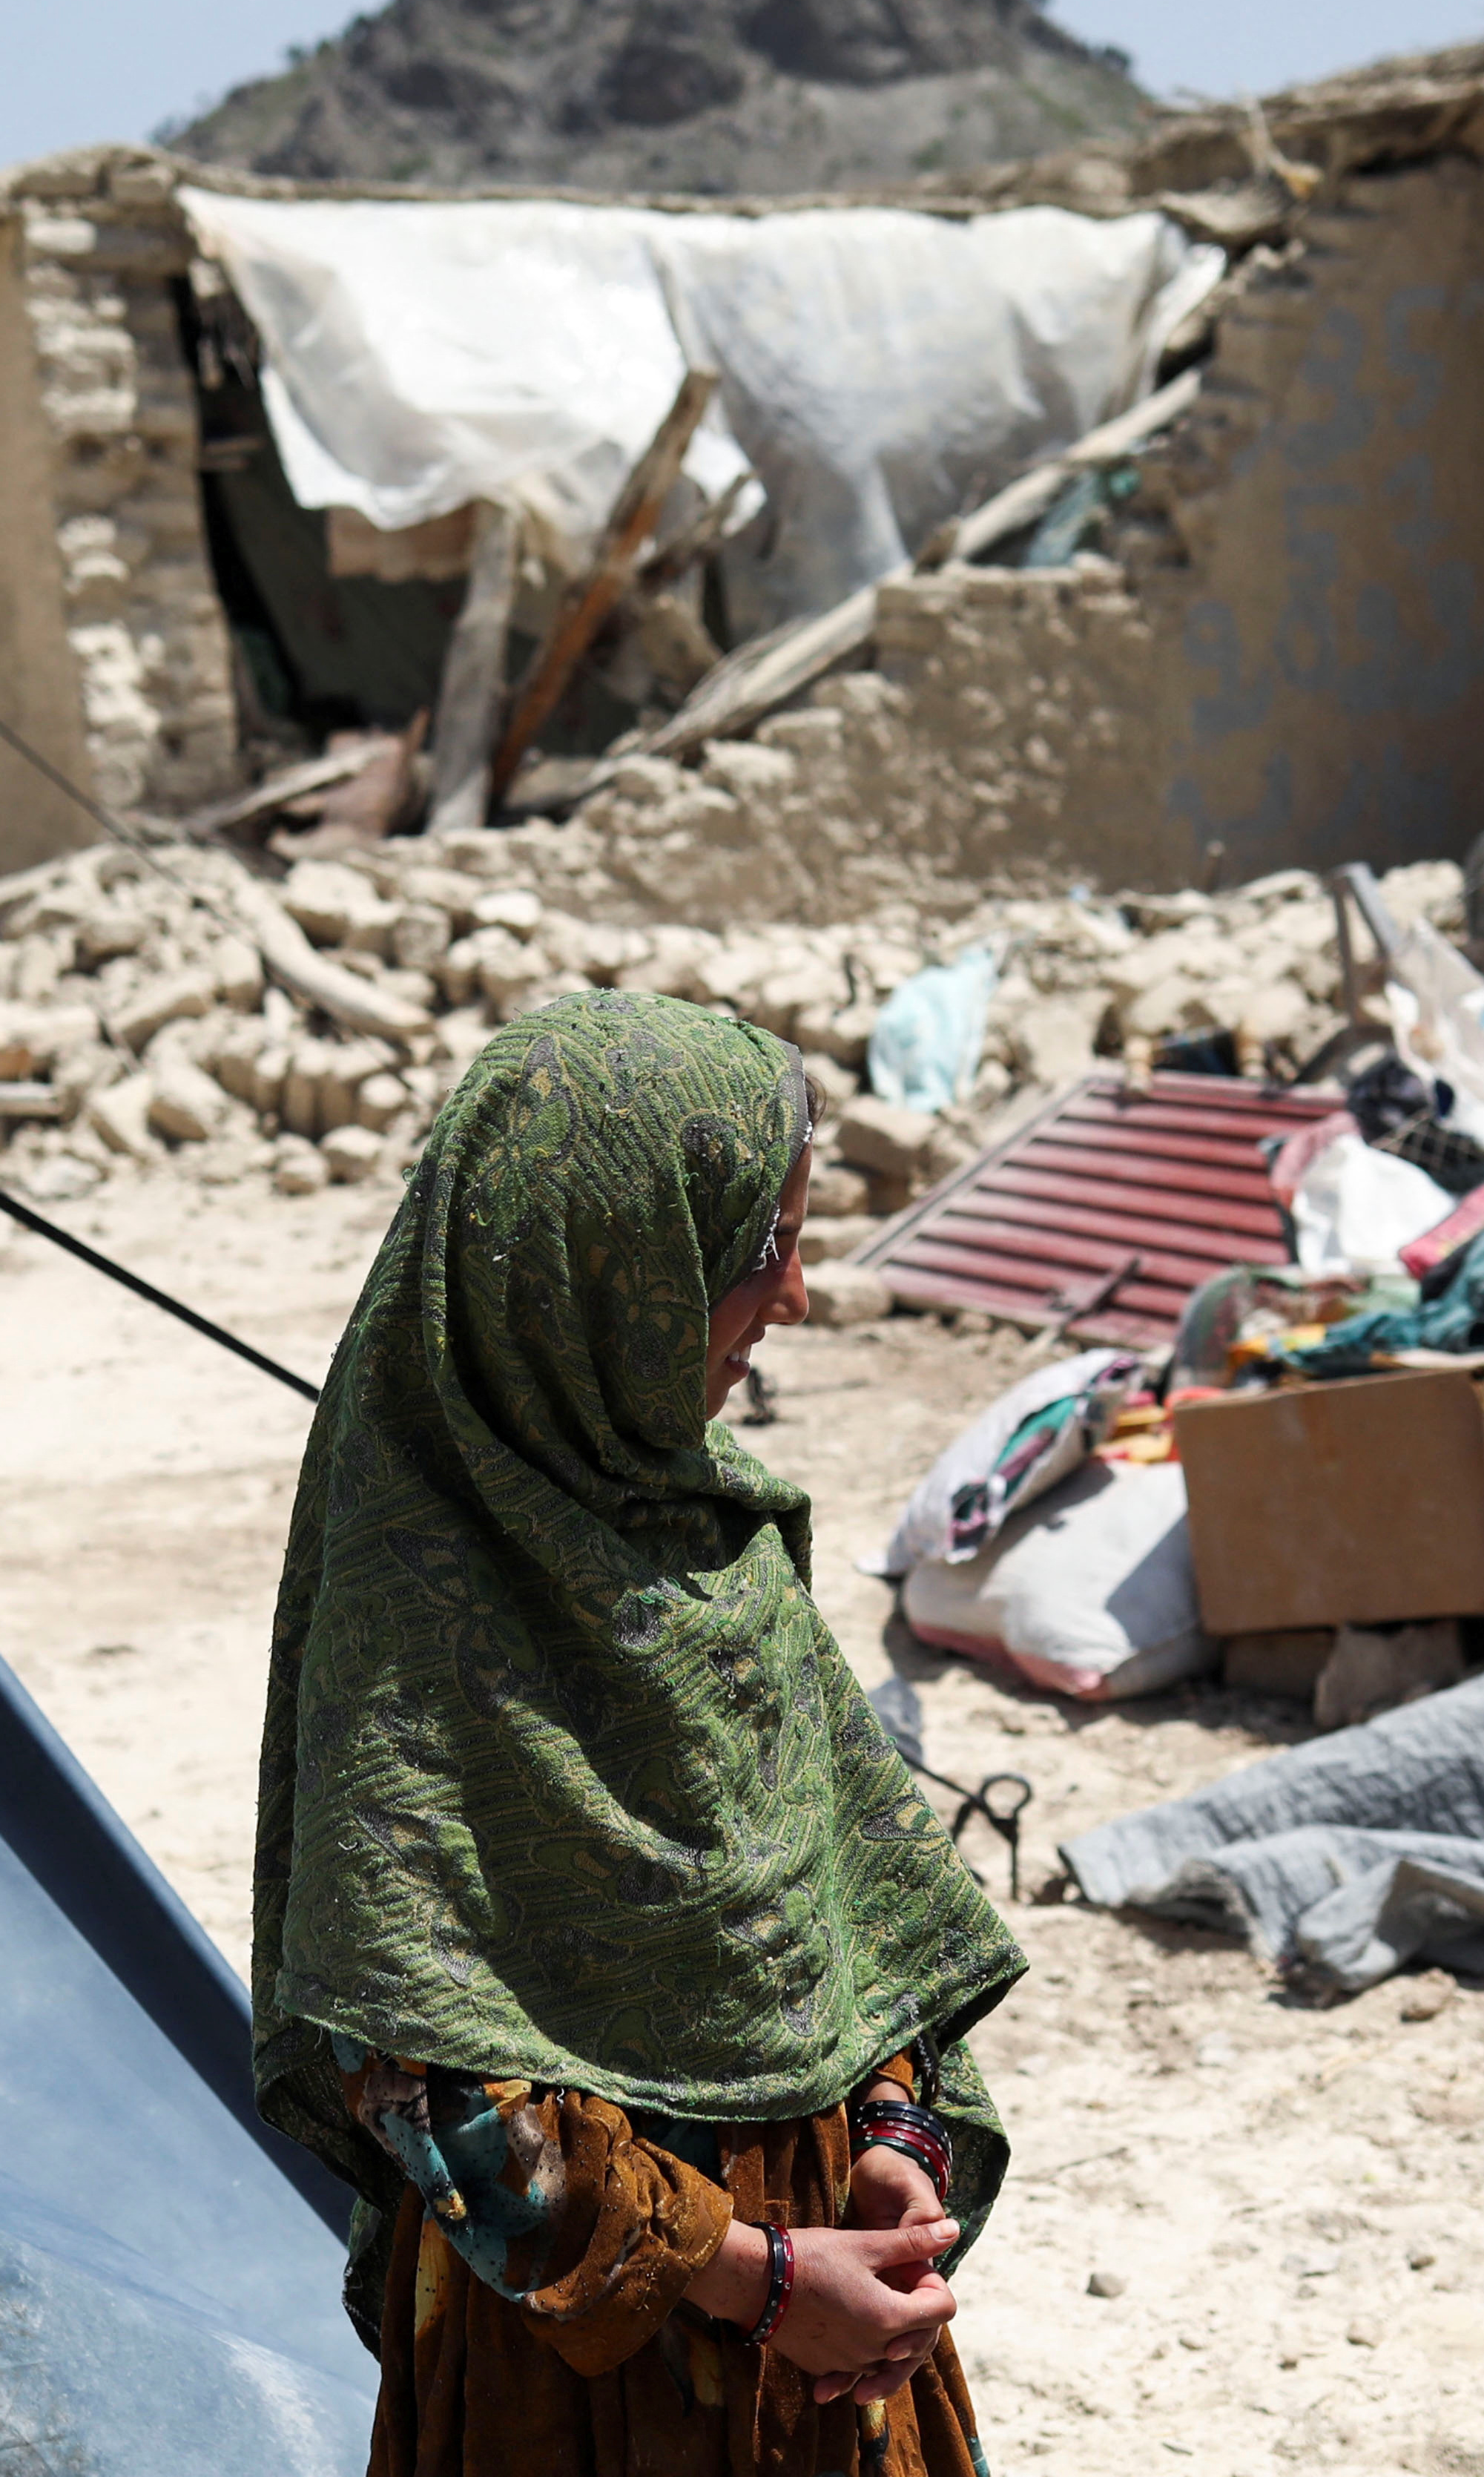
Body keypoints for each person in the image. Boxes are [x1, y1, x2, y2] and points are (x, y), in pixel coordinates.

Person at [254, 988, 1027, 2476]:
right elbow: (422, 2083)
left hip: (830, 2356)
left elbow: (857, 1939)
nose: (793, 1298)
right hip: (575, 2366)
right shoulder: (420, 1613)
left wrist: (889, 2147)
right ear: (600, 1275)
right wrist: (760, 2279)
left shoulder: (719, 1548)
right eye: (759, 1252)